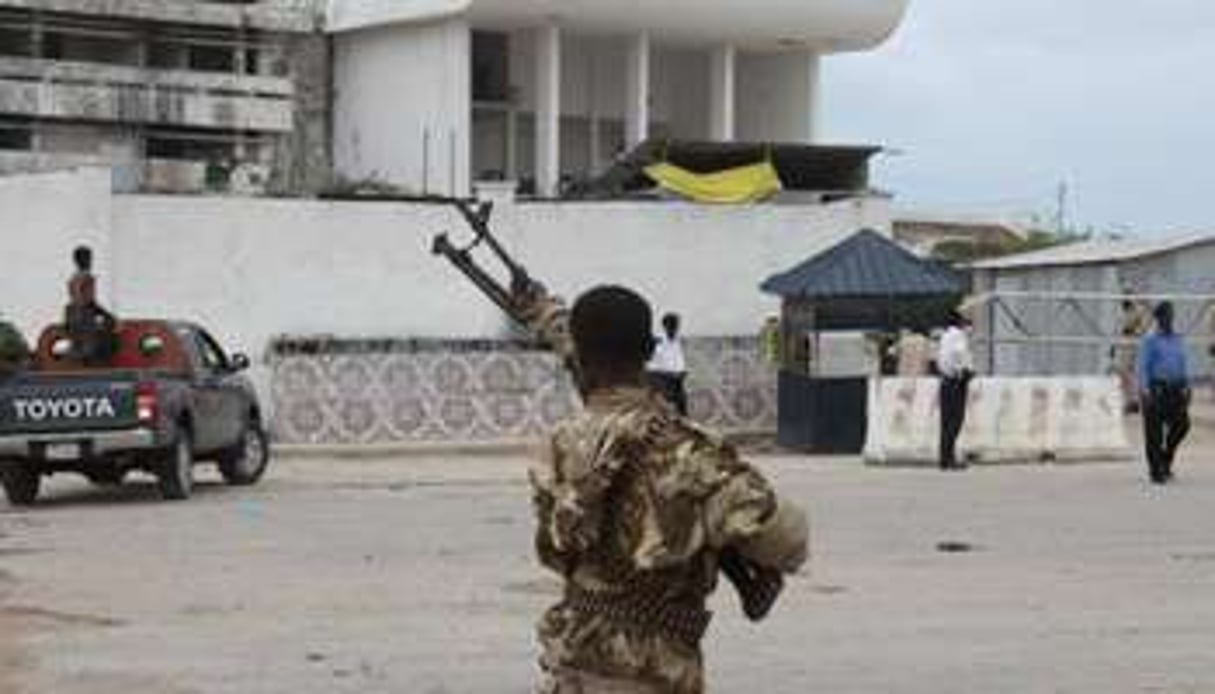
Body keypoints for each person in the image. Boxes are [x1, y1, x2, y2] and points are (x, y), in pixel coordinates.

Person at [515, 284, 808, 694]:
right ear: (651, 350)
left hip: (574, 661)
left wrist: (545, 314)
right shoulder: (689, 446)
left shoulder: (558, 444)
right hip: (658, 672)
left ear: (580, 356)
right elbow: (788, 542)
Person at [1137, 302, 1191, 485]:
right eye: (1166, 316)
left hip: (1176, 389)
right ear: (1159, 319)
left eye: (1171, 316)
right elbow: (1142, 367)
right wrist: (1144, 391)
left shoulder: (1177, 338)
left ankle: (1166, 458)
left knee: (1182, 425)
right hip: (1156, 389)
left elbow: (1182, 362)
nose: (1170, 320)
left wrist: (1187, 385)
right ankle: (1156, 471)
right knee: (1154, 433)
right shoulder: (1150, 340)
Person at [64, 245, 117, 365]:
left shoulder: (73, 278)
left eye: (89, 258)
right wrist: (107, 315)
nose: (90, 261)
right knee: (92, 345)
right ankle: (99, 364)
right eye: (88, 258)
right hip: (84, 314)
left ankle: (75, 364)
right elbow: (89, 301)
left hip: (72, 313)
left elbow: (75, 298)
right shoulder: (87, 277)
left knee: (77, 344)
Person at [936, 311, 974, 471]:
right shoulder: (959, 336)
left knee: (945, 423)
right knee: (955, 421)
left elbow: (942, 358)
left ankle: (944, 458)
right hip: (956, 381)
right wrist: (966, 370)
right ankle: (950, 459)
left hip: (944, 380)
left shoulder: (944, 336)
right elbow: (960, 354)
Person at [646, 312, 689, 416]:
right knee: (660, 404)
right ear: (666, 326)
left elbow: (677, 357)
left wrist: (682, 371)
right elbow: (652, 361)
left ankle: (683, 422)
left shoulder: (677, 339)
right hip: (659, 376)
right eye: (673, 324)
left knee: (681, 402)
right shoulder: (657, 340)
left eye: (677, 324)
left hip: (675, 378)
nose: (676, 327)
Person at [1114, 300, 1152, 413]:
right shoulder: (1120, 308)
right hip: (1124, 342)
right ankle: (1130, 401)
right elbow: (1118, 327)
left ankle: (1138, 400)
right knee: (1123, 371)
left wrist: (1136, 331)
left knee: (1137, 372)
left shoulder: (1141, 308)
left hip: (1136, 341)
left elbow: (1147, 323)